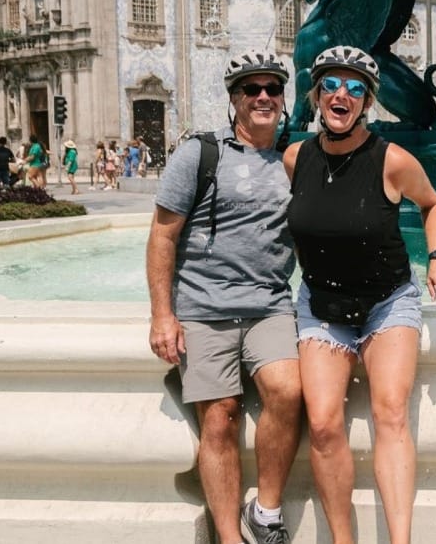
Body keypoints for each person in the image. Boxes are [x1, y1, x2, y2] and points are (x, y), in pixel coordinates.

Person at [283, 46, 436, 544]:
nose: (343, 94)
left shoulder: (392, 160)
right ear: (317, 96)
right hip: (322, 304)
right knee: (321, 425)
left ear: (367, 101)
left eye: (356, 88)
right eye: (332, 85)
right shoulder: (297, 158)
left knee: (390, 412)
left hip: (387, 300)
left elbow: (433, 204)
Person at [146, 50, 302, 544]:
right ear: (233, 99)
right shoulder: (200, 153)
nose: (262, 97)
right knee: (220, 417)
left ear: (283, 99)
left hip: (270, 304)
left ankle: (266, 511)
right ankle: (229, 538)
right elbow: (162, 236)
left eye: (272, 89)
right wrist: (162, 315)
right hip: (203, 308)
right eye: (250, 89)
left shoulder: (295, 159)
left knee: (288, 390)